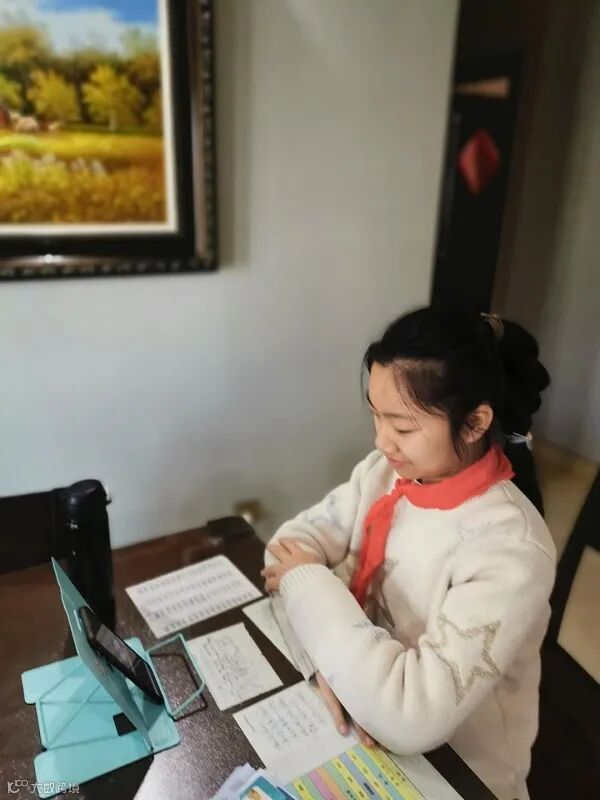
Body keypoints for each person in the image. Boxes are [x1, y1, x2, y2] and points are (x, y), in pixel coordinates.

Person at [261, 306, 555, 800]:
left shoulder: (510, 550)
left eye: (402, 426)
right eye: (376, 416)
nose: (381, 441)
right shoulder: (385, 473)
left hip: (460, 774)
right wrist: (326, 668)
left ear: (474, 423)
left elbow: (410, 717)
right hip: (362, 731)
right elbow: (285, 551)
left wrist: (308, 589)